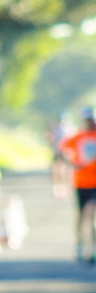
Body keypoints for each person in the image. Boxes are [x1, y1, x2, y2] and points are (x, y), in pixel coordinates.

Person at [58, 107, 96, 264]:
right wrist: (72, 163)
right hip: (81, 182)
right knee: (81, 216)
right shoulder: (78, 137)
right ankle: (80, 246)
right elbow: (61, 151)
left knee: (92, 215)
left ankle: (93, 249)